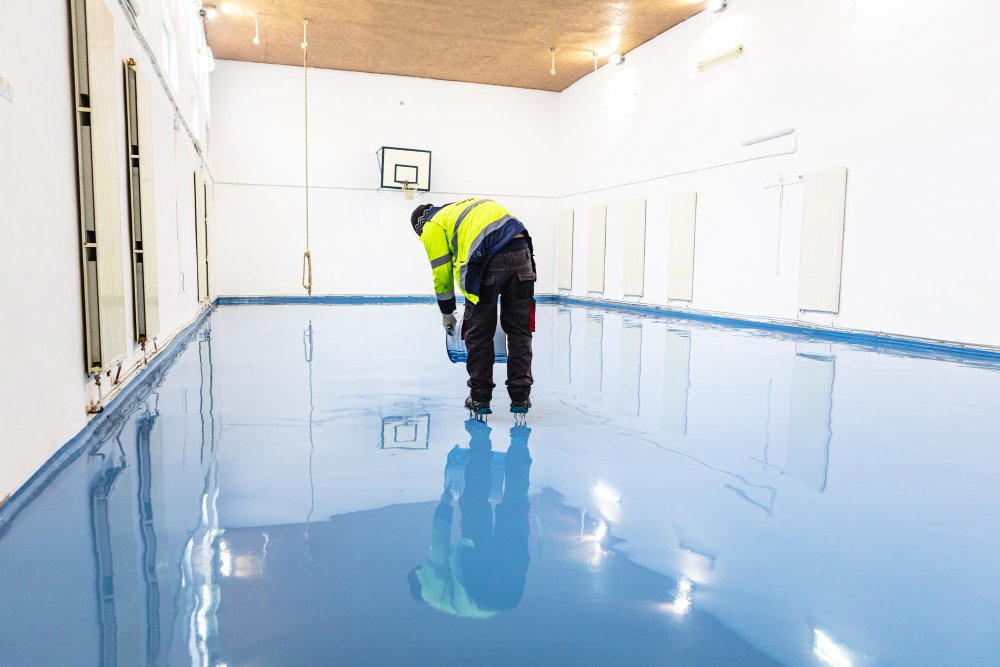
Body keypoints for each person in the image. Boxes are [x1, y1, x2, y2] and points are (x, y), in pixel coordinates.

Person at [411, 199, 535, 415]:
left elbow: (441, 272)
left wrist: (447, 312)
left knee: (479, 333)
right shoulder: (455, 211)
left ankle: (480, 398)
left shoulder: (431, 225)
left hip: (488, 260)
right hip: (522, 251)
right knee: (519, 330)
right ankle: (520, 398)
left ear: (420, 226)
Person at [408, 419, 532, 617]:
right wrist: (444, 507)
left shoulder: (471, 609)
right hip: (478, 571)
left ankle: (519, 442)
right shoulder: (429, 593)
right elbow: (438, 551)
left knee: (513, 509)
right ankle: (480, 437)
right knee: (475, 501)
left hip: (511, 584)